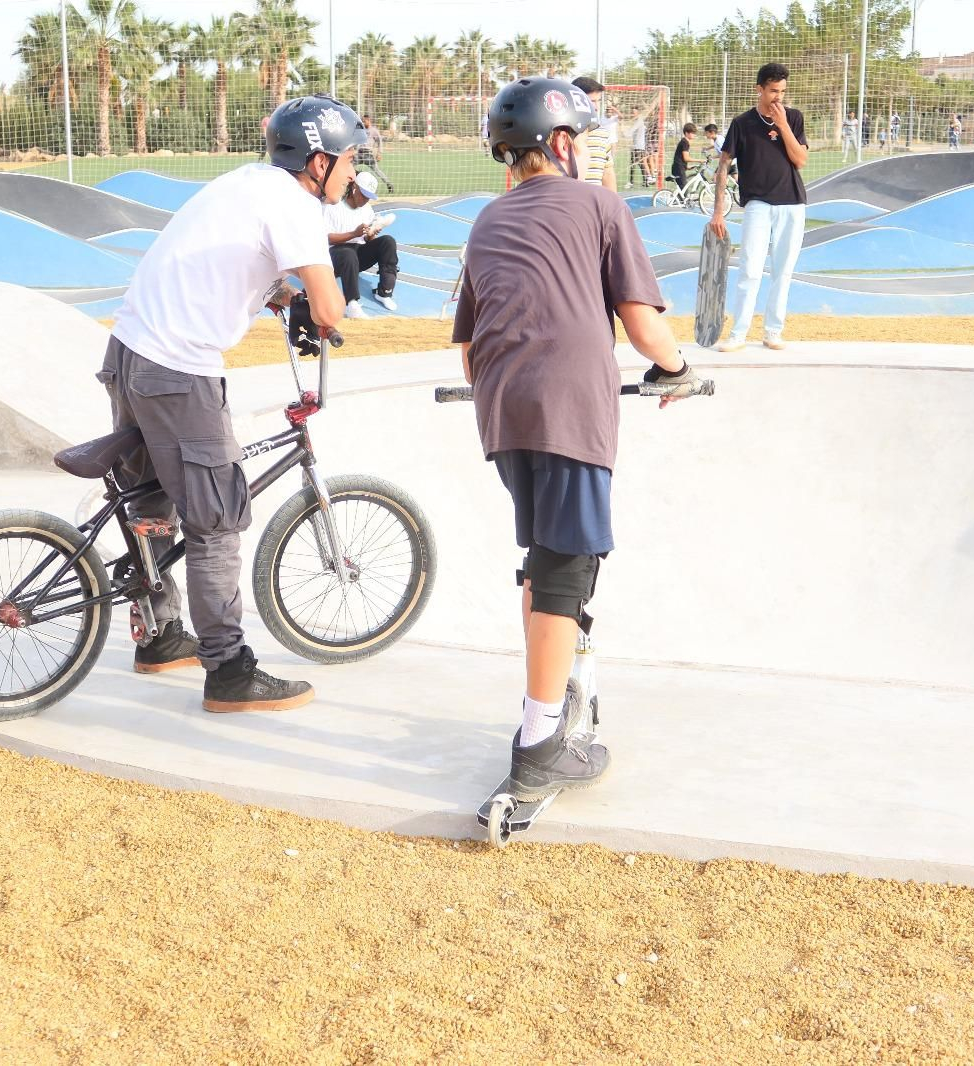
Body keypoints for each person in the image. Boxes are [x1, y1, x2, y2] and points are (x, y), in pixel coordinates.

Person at [453, 76, 698, 798]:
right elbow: (644, 322)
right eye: (587, 140)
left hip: (500, 413)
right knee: (565, 565)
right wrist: (678, 368)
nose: (593, 153)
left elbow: (466, 349)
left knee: (546, 557)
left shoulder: (488, 221)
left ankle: (548, 706)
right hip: (568, 408)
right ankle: (537, 743)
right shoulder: (600, 203)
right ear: (560, 144)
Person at [100, 95, 359, 713]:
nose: (353, 174)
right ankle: (229, 671)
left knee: (151, 505)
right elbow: (328, 308)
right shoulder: (294, 205)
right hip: (179, 371)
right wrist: (324, 308)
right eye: (350, 161)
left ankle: (161, 634)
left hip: (128, 351)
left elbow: (229, 260)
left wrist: (271, 289)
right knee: (216, 520)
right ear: (318, 162)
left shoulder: (247, 183)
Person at [709, 62, 808, 353]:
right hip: (757, 204)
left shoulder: (794, 118)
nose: (779, 97)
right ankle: (738, 333)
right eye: (774, 91)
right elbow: (724, 164)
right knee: (750, 269)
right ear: (760, 89)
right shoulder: (742, 123)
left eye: (783, 91)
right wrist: (718, 211)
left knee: (783, 270)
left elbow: (800, 160)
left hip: (792, 203)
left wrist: (783, 125)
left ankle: (773, 331)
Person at [323, 170, 397, 316]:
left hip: (356, 256)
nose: (365, 200)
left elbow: (365, 240)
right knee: (348, 252)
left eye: (369, 197)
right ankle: (351, 303)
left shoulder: (367, 210)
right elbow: (326, 238)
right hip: (333, 257)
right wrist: (353, 234)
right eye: (363, 195)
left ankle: (384, 293)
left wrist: (370, 235)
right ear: (354, 188)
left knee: (388, 242)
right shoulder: (332, 206)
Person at [570, 76, 617, 191]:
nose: (596, 107)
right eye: (591, 101)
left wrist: (614, 205)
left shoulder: (602, 134)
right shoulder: (558, 135)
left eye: (598, 101)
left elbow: (608, 174)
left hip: (595, 207)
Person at [357, 115, 394, 192]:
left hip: (368, 155)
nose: (363, 123)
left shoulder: (374, 130)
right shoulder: (361, 129)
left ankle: (389, 184)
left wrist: (379, 153)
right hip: (359, 154)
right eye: (362, 121)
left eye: (364, 121)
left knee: (377, 171)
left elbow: (379, 141)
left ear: (369, 120)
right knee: (348, 166)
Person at [671, 122, 698, 188]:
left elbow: (681, 158)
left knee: (682, 189)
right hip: (678, 169)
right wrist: (700, 160)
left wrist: (687, 167)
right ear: (686, 133)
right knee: (684, 189)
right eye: (692, 133)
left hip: (679, 168)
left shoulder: (684, 142)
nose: (694, 135)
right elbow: (686, 158)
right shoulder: (685, 143)